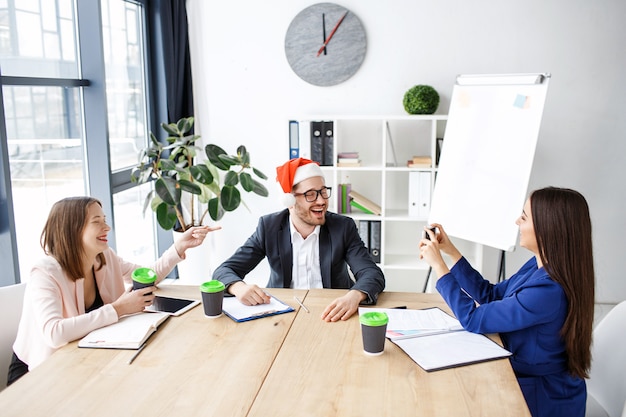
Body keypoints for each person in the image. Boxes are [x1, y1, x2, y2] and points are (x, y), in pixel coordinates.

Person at [419, 187, 594, 417]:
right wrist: (451, 252)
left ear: (547, 227)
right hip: (524, 377)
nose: (516, 222)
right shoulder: (539, 266)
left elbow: (474, 319)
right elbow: (490, 295)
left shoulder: (548, 290)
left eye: (524, 217)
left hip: (542, 399)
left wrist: (440, 268)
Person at [8, 196, 220, 385]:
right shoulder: (45, 273)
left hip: (87, 357)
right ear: (73, 229)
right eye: (97, 222)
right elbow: (55, 333)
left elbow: (145, 275)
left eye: (105, 220)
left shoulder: (104, 257)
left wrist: (179, 248)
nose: (106, 228)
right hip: (38, 373)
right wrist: (118, 308)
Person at [213, 157, 385, 322]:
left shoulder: (343, 227)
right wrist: (239, 288)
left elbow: (372, 273)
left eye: (323, 192)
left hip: (333, 311)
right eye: (310, 194)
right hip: (283, 311)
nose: (321, 201)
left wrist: (354, 295)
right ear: (290, 200)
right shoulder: (269, 227)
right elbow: (224, 270)